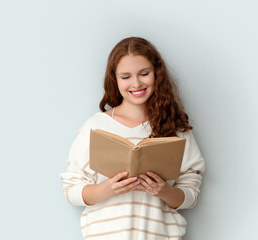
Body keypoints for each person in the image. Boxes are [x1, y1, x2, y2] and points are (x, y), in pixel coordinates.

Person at [60, 37, 205, 239]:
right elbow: (71, 190)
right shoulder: (95, 126)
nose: (136, 83)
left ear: (157, 74)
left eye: (144, 74)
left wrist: (163, 191)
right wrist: (105, 190)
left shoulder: (176, 128)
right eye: (125, 76)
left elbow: (190, 194)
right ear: (115, 79)